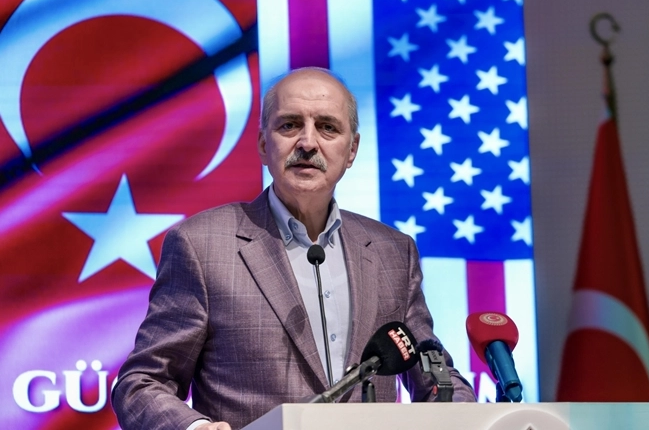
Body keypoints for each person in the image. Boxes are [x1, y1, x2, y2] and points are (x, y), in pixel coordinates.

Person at [111, 67, 476, 430]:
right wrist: (195, 429)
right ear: (263, 144)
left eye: (327, 127)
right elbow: (141, 383)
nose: (307, 143)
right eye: (289, 125)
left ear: (352, 150)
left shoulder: (392, 252)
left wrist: (474, 418)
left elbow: (437, 379)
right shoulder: (202, 245)